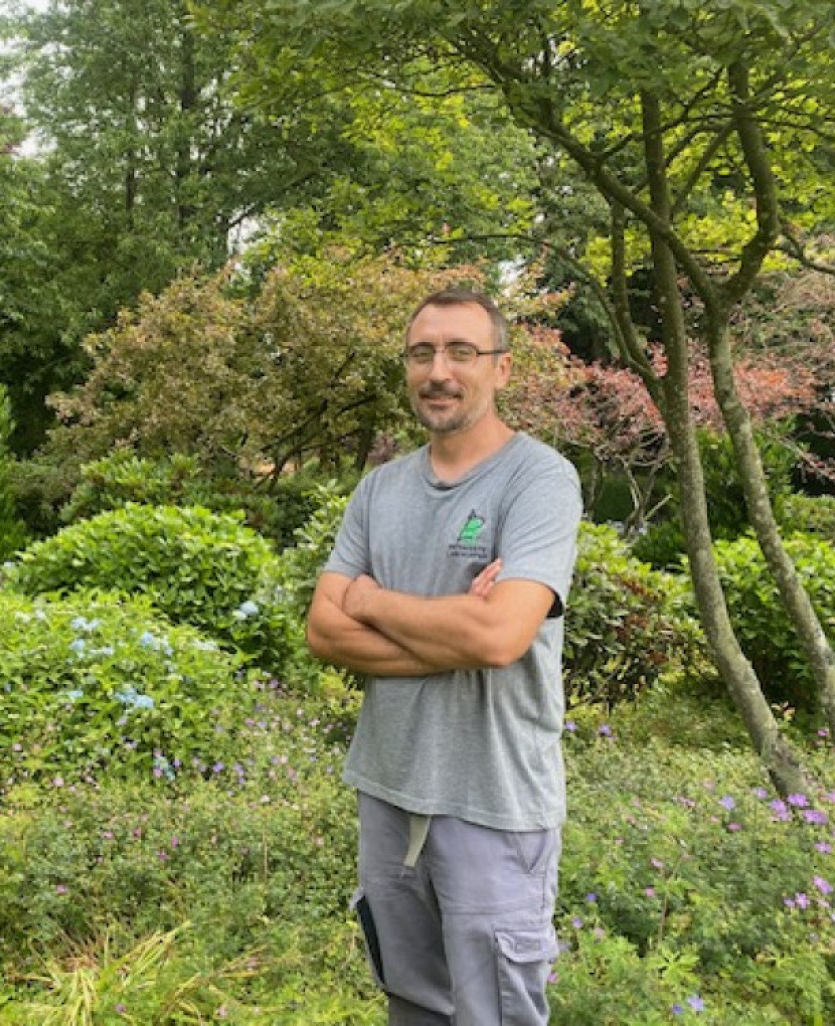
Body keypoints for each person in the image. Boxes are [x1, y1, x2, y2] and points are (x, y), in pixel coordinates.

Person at [306, 289, 582, 1025]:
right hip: (388, 793)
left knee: (496, 1012)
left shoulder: (540, 481)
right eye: (422, 352)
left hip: (493, 803)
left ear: (502, 368)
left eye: (462, 351)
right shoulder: (380, 489)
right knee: (412, 1005)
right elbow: (321, 634)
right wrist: (457, 629)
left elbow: (498, 639)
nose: (439, 371)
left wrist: (367, 601)